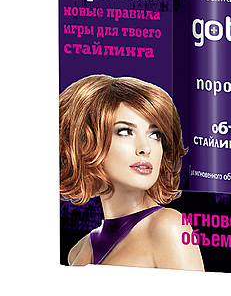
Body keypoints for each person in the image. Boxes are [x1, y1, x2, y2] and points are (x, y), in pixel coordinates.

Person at [60, 74, 204, 270]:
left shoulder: (168, 227)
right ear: (86, 142)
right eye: (125, 132)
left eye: (155, 134)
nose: (145, 148)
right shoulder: (79, 250)